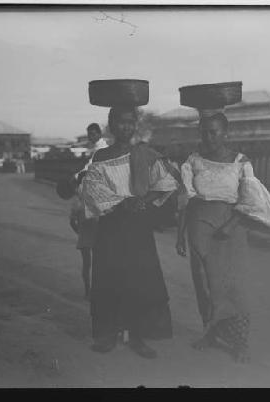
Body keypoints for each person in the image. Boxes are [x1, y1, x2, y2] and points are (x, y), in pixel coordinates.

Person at [176, 111, 270, 363]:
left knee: (234, 286)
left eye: (214, 131)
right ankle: (210, 333)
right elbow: (186, 201)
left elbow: (249, 200)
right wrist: (180, 236)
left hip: (230, 229)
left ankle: (239, 342)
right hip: (199, 228)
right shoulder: (193, 161)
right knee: (205, 284)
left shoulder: (240, 162)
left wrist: (231, 225)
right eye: (204, 132)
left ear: (225, 133)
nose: (209, 137)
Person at [81, 106, 179, 359]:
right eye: (120, 122)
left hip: (138, 227)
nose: (125, 127)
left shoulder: (144, 153)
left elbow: (167, 182)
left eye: (129, 122)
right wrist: (121, 201)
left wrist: (144, 200)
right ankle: (108, 335)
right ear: (111, 125)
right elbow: (93, 190)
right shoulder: (101, 156)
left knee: (139, 280)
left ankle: (137, 336)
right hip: (111, 225)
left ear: (135, 125)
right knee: (109, 277)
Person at [69, 171, 97, 301]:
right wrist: (79, 232)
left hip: (92, 231)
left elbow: (72, 221)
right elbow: (72, 221)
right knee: (89, 264)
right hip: (90, 231)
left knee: (90, 264)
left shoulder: (79, 199)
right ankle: (88, 290)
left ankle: (91, 291)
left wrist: (78, 231)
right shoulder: (80, 199)